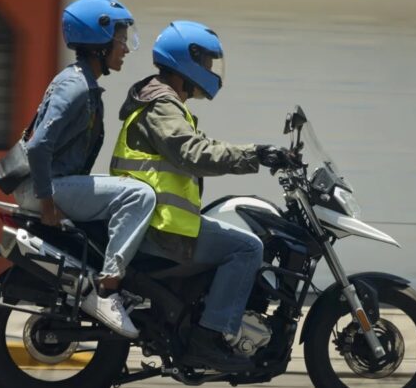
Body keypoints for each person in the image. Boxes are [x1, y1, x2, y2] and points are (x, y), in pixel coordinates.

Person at [110, 20, 286, 371]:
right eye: (205, 62)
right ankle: (209, 339)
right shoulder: (162, 104)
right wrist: (256, 154)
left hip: (158, 223)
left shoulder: (164, 102)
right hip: (161, 229)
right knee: (248, 247)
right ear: (185, 60)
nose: (209, 71)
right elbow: (193, 153)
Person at [13, 0, 156, 339]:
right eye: (120, 38)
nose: (125, 47)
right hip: (45, 186)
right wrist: (48, 202)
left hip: (54, 182)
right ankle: (107, 290)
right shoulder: (76, 86)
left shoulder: (82, 82)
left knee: (126, 187)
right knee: (139, 195)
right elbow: (39, 146)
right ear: (99, 41)